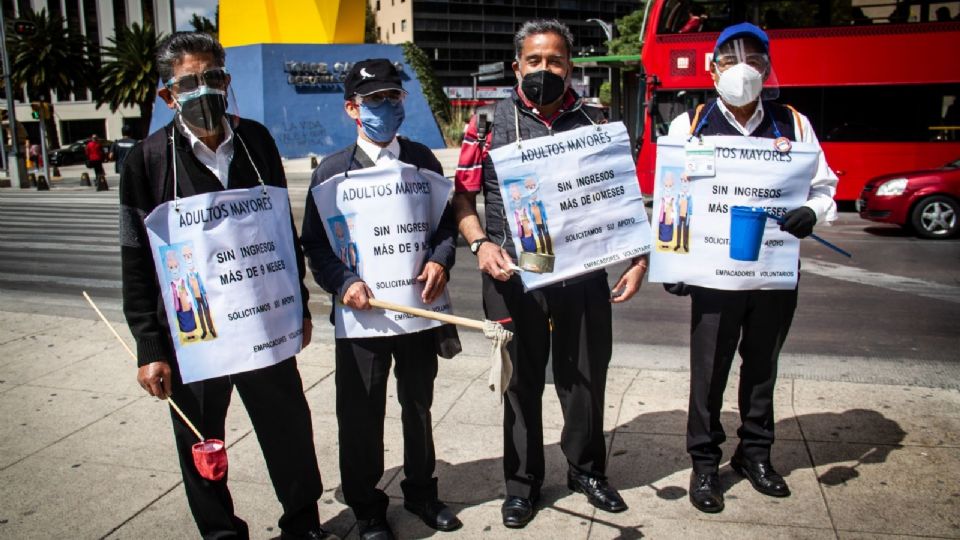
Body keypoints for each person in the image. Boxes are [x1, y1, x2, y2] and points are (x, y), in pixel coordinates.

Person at [118, 32, 335, 540]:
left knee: (289, 435)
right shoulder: (146, 161)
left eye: (213, 77)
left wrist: (299, 306)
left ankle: (303, 526)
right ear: (167, 95)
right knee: (202, 447)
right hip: (194, 340)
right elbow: (135, 259)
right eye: (189, 83)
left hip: (263, 326)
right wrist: (149, 346)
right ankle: (221, 533)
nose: (204, 90)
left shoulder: (257, 142)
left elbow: (280, 232)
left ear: (227, 80)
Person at [453, 19, 648, 529]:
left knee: (584, 378)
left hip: (581, 277)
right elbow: (463, 197)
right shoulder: (485, 126)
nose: (545, 69)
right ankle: (522, 485)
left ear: (570, 65)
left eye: (555, 60)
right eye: (534, 61)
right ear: (517, 65)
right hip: (511, 276)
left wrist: (638, 258)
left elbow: (621, 199)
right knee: (519, 386)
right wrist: (479, 244)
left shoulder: (595, 122)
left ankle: (587, 470)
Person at [663, 22, 837, 514]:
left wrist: (814, 213)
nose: (743, 71)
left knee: (762, 368)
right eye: (730, 61)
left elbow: (825, 189)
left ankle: (755, 454)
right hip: (714, 275)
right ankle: (704, 463)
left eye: (755, 61)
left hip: (775, 273)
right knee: (709, 371)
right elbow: (673, 197)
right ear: (712, 68)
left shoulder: (794, 124)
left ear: (767, 68)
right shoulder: (690, 124)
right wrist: (672, 259)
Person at [300, 58, 462, 540]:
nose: (387, 107)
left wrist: (440, 260)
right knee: (360, 415)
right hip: (362, 322)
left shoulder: (423, 161)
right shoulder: (330, 173)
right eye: (375, 100)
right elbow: (316, 245)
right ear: (353, 108)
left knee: (419, 405)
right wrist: (344, 282)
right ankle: (368, 508)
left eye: (394, 97)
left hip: (417, 313)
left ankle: (421, 491)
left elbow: (445, 226)